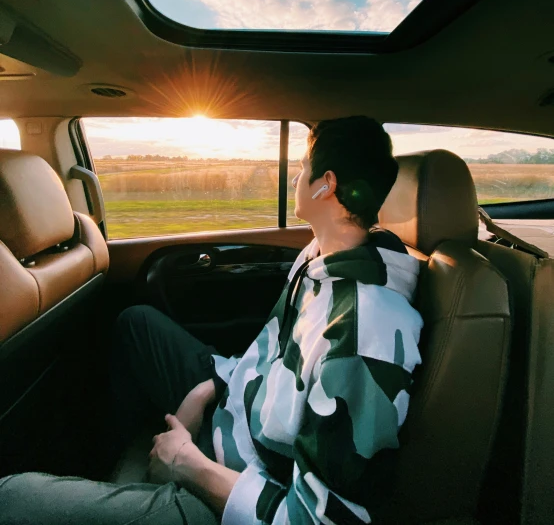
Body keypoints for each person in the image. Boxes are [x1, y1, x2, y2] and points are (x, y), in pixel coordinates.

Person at [0, 116, 423, 524]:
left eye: (301, 168)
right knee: (137, 324)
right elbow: (269, 359)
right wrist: (209, 388)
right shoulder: (320, 259)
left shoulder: (366, 331)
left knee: (11, 501)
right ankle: (106, 473)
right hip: (238, 412)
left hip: (243, 490)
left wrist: (186, 463)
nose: (296, 178)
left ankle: (136, 495)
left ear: (326, 185)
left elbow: (316, 519)